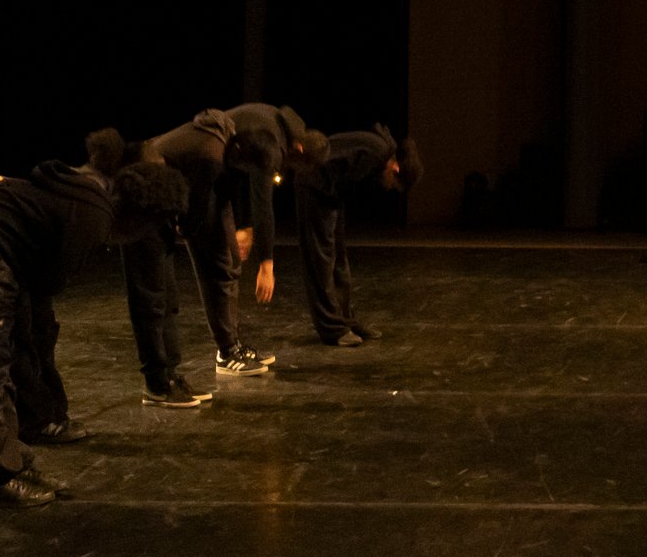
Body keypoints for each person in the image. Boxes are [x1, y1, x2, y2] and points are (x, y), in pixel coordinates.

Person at [0, 131, 187, 508]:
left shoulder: (90, 191)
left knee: (4, 361)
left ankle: (10, 463)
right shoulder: (94, 218)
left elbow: (10, 187)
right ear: (143, 217)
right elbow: (50, 280)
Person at [197, 103, 325, 376]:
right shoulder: (272, 142)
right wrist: (266, 264)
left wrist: (244, 226)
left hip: (216, 178)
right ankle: (226, 352)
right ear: (300, 150)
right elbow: (262, 202)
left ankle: (231, 346)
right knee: (222, 265)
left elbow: (241, 169)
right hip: (202, 176)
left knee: (230, 263)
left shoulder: (279, 126)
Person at [119, 109, 235, 407]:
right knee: (151, 303)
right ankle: (157, 384)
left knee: (168, 300)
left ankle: (170, 375)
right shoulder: (206, 151)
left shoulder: (196, 146)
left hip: (160, 211)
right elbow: (196, 209)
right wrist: (185, 225)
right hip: (142, 212)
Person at [294, 123, 423, 345]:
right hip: (313, 186)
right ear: (395, 169)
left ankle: (345, 320)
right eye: (393, 184)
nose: (388, 187)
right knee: (320, 261)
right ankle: (332, 329)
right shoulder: (376, 154)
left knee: (339, 260)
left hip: (330, 192)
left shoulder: (381, 153)